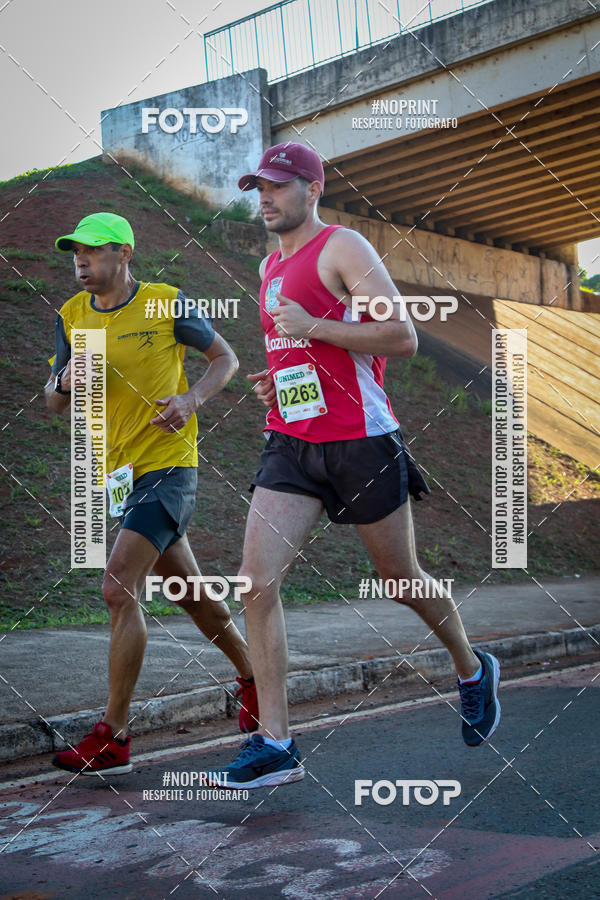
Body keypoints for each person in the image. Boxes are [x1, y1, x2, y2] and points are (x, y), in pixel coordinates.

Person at [215, 143, 501, 790]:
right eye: (258, 187)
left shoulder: (343, 247)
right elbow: (297, 350)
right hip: (291, 440)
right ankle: (277, 744)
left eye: (278, 186)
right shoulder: (267, 265)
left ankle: (472, 666)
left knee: (400, 579)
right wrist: (278, 379)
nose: (265, 198)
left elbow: (402, 336)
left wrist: (314, 326)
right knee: (255, 584)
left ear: (313, 189)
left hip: (361, 441)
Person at [45, 212, 258, 775]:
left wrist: (191, 399)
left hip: (168, 466)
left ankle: (113, 737)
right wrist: (63, 382)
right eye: (75, 252)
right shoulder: (71, 316)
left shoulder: (165, 302)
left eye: (93, 250)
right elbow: (53, 402)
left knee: (118, 587)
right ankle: (255, 676)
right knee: (190, 594)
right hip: (119, 476)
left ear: (124, 253)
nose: (81, 260)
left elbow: (226, 359)